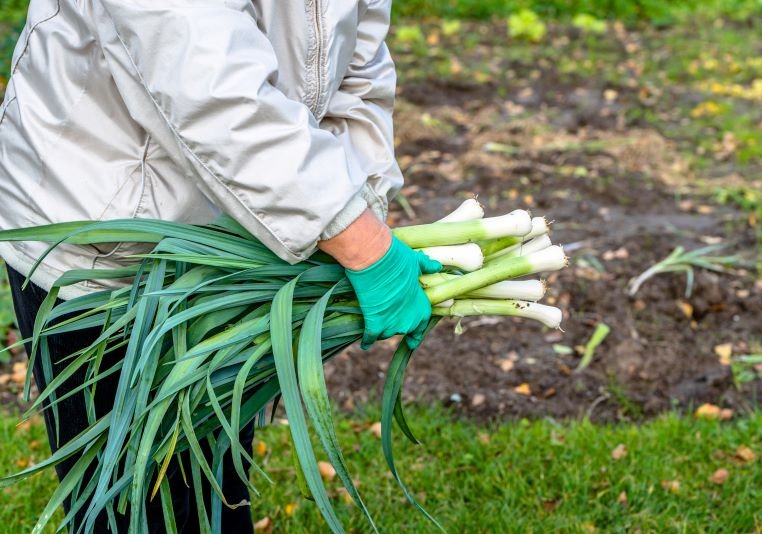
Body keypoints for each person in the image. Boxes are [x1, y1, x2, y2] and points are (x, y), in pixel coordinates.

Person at [0, 1, 438, 532]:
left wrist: (362, 199)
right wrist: (362, 242)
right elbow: (207, 81)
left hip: (232, 240)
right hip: (105, 237)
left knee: (213, 483)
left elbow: (357, 63)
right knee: (128, 501)